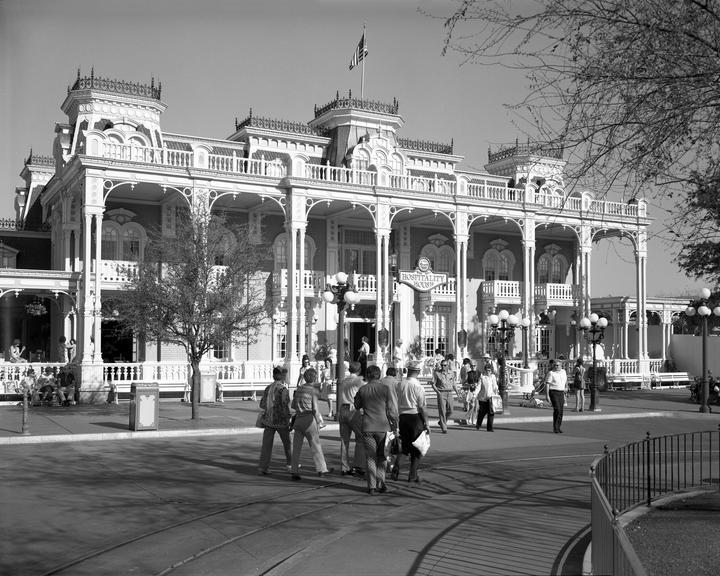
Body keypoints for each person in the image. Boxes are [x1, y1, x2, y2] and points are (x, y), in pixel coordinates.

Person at [354, 365, 397, 495]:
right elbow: (391, 410)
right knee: (382, 456)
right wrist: (395, 425)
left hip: (368, 427)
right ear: (379, 375)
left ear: (367, 375)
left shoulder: (363, 389)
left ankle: (371, 486)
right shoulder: (385, 389)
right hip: (383, 427)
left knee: (370, 458)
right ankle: (381, 482)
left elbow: (357, 406)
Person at [290, 368, 333, 480]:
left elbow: (293, 405)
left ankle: (294, 470)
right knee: (315, 445)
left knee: (296, 447)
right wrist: (319, 421)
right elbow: (315, 408)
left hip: (298, 419)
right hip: (309, 419)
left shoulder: (299, 389)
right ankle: (321, 469)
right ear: (314, 378)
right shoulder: (313, 390)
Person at [394, 361, 429, 483]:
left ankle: (396, 467)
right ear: (418, 372)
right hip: (415, 417)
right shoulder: (418, 386)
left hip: (402, 417)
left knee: (405, 446)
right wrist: (427, 423)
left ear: (407, 371)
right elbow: (422, 407)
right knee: (418, 447)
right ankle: (412, 475)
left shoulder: (399, 384)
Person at [258, 366, 293, 475]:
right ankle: (290, 464)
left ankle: (263, 467)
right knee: (287, 443)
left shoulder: (268, 388)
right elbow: (285, 406)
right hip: (281, 421)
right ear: (281, 376)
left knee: (266, 445)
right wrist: (289, 418)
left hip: (268, 421)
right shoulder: (283, 389)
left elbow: (262, 404)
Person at [337, 361, 366, 477]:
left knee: (344, 441)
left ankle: (344, 467)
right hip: (353, 410)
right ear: (359, 370)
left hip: (343, 408)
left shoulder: (344, 381)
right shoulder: (359, 381)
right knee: (360, 438)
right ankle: (358, 465)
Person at [431, 357, 459, 433]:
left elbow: (454, 383)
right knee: (442, 411)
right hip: (441, 392)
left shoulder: (451, 373)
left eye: (445, 365)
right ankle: (444, 427)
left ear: (448, 366)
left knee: (451, 410)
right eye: (442, 365)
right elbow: (433, 384)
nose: (443, 367)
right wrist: (438, 392)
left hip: (449, 393)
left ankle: (442, 422)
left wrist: (457, 392)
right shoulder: (437, 373)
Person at [545, 359, 568, 433]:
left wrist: (566, 387)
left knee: (561, 411)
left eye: (557, 365)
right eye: (554, 365)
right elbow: (547, 384)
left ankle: (558, 427)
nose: (556, 366)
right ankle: (555, 427)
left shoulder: (563, 372)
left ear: (561, 366)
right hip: (553, 392)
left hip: (561, 392)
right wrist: (547, 395)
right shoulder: (551, 373)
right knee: (557, 409)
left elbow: (565, 380)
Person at [475, 363, 499, 431]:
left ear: (491, 371)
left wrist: (496, 389)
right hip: (483, 398)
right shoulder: (482, 377)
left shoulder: (493, 377)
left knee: (491, 412)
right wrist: (475, 395)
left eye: (489, 370)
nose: (488, 372)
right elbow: (478, 387)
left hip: (491, 398)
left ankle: (489, 427)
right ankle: (478, 424)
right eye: (487, 370)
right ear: (485, 370)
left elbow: (495, 386)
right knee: (482, 412)